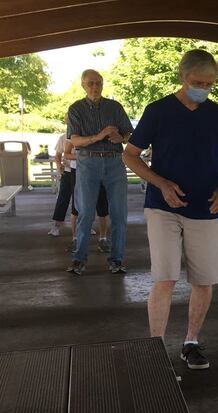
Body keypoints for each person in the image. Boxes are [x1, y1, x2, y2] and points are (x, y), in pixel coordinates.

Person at [123, 49, 218, 370]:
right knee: (166, 278)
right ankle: (156, 351)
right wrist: (160, 182)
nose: (203, 88)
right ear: (182, 76)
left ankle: (191, 342)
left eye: (209, 84)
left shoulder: (216, 114)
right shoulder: (158, 111)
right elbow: (130, 155)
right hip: (163, 207)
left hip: (205, 207)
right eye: (197, 82)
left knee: (203, 280)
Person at [66, 69, 133, 275]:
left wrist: (121, 138)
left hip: (114, 162)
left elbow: (129, 133)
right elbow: (74, 140)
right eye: (90, 83)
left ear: (103, 84)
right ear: (83, 85)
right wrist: (99, 136)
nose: (95, 87)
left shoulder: (114, 107)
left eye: (98, 83)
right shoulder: (76, 109)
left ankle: (117, 259)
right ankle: (79, 259)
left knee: (119, 214)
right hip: (88, 162)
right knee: (85, 212)